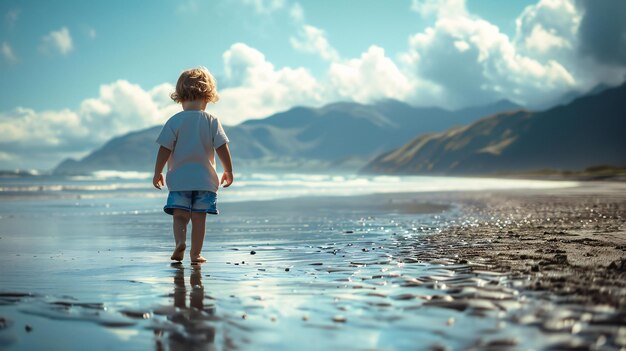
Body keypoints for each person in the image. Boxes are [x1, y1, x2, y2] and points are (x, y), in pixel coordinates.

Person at [153, 67, 233, 263]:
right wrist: (228, 170)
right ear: (207, 96)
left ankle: (180, 242)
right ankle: (195, 254)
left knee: (179, 215)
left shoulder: (174, 121)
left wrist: (158, 172)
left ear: (180, 97)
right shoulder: (211, 120)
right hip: (205, 181)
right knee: (199, 219)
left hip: (179, 180)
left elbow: (164, 148)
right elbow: (222, 147)